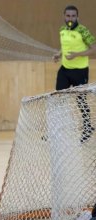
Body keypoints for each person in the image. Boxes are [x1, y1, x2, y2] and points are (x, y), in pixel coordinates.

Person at [53, 5, 96, 143]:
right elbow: (64, 46)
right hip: (65, 69)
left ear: (77, 17)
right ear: (64, 16)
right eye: (68, 16)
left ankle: (88, 126)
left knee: (80, 100)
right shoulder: (62, 30)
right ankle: (57, 130)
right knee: (59, 97)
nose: (70, 18)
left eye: (73, 16)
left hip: (80, 70)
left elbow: (94, 48)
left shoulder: (83, 30)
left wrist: (77, 55)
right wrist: (59, 54)